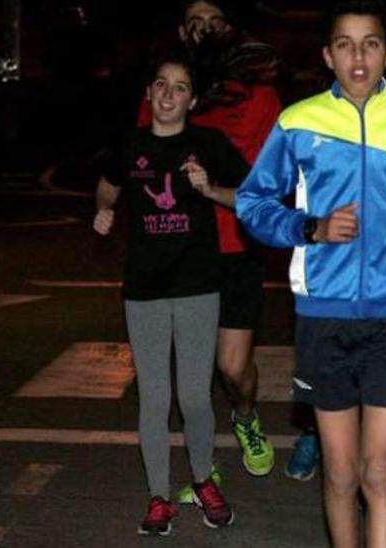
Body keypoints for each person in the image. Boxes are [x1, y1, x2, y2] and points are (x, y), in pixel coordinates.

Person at [235, 2, 386, 545]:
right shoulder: (298, 121)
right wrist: (310, 228)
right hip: (324, 314)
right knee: (340, 473)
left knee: (378, 470)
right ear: (328, 55)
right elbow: (252, 202)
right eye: (345, 44)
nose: (358, 55)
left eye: (370, 43)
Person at [95, 53, 246, 536]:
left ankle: (203, 480)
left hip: (198, 284)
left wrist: (211, 189)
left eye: (179, 87)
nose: (167, 94)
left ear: (192, 100)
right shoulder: (130, 144)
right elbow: (107, 185)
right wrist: (104, 209)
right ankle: (159, 496)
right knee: (154, 398)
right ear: (149, 93)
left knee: (196, 397)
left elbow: (252, 197)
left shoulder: (209, 144)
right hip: (144, 289)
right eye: (160, 84)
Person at [139, 0, 283, 488]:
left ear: (229, 28)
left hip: (236, 246)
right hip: (180, 250)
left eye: (214, 22)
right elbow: (139, 163)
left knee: (232, 365)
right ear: (183, 30)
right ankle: (203, 467)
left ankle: (246, 416)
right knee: (192, 376)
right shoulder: (167, 91)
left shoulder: (259, 95)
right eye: (194, 23)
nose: (204, 32)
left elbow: (266, 181)